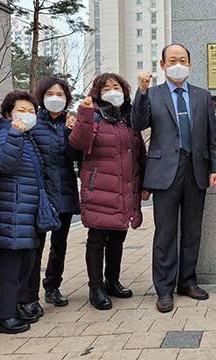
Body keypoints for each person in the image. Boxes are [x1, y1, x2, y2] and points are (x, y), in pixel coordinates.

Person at [131, 43, 216, 313]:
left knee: (193, 230)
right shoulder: (154, 94)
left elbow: (212, 136)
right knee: (165, 232)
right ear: (162, 65)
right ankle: (163, 288)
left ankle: (187, 281)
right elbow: (137, 124)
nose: (178, 64)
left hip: (196, 169)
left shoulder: (202, 96)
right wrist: (142, 91)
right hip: (164, 172)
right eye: (172, 60)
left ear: (191, 63)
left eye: (182, 59)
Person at [69, 73, 146, 311]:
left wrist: (144, 185)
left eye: (116, 87)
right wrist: (84, 114)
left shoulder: (129, 119)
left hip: (124, 187)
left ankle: (112, 280)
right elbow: (78, 144)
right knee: (97, 238)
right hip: (99, 187)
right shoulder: (94, 117)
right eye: (106, 88)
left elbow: (139, 153)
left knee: (118, 236)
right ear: (97, 94)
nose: (112, 92)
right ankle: (96, 287)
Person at [18, 77, 80, 317]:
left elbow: (75, 156)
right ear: (42, 96)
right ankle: (29, 295)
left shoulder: (70, 123)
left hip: (64, 188)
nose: (56, 98)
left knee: (60, 244)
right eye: (51, 94)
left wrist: (74, 132)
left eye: (61, 94)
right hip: (40, 193)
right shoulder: (33, 122)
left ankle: (52, 286)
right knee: (35, 245)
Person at [0, 91, 46, 334]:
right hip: (10, 212)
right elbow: (4, 164)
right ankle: (3, 317)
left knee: (25, 265)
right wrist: (14, 133)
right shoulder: (4, 133)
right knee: (10, 269)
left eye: (32, 111)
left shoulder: (27, 137)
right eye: (22, 110)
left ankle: (16, 308)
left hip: (26, 212)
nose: (28, 115)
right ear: (8, 113)